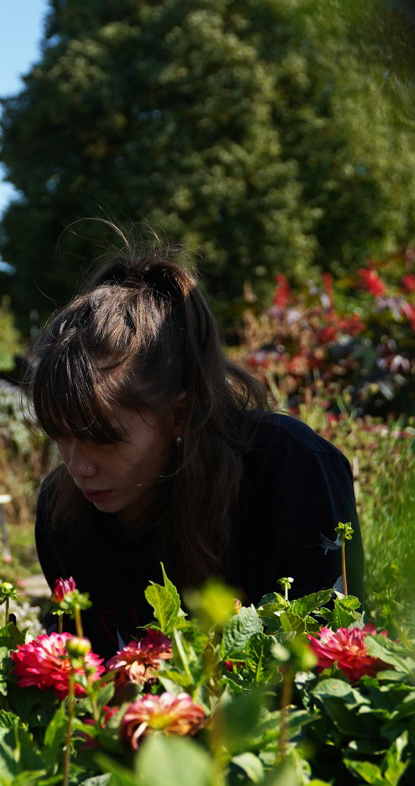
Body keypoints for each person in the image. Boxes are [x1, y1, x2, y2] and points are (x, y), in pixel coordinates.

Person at [29, 252, 360, 648]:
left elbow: (334, 657)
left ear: (179, 415)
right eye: (59, 436)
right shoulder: (61, 514)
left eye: (103, 438)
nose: (78, 467)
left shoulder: (291, 468)